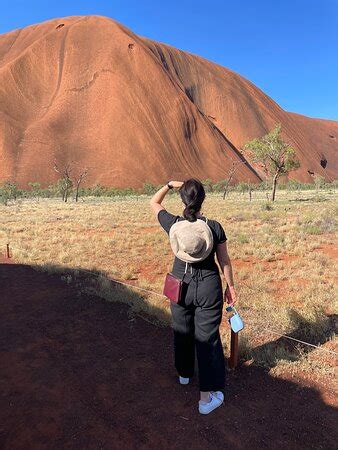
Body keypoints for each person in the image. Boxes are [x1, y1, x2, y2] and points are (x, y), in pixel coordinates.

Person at [150, 178, 237, 414]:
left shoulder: (173, 223)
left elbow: (154, 202)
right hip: (208, 287)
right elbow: (224, 261)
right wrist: (230, 287)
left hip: (179, 285)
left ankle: (185, 374)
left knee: (182, 330)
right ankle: (206, 399)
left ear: (183, 200)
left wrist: (168, 184)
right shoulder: (215, 227)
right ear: (203, 200)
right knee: (207, 339)